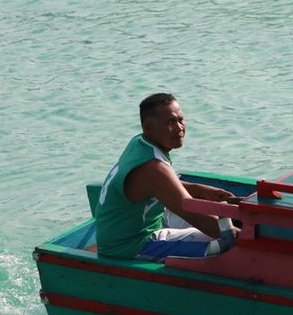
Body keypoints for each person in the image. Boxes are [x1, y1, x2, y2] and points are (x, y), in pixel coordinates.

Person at [95, 93, 239, 261]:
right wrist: (247, 239)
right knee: (223, 243)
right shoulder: (153, 167)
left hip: (123, 230)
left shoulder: (140, 143)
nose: (179, 128)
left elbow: (161, 184)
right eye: (170, 122)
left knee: (215, 222)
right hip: (130, 246)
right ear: (148, 127)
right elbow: (193, 214)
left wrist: (199, 190)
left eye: (180, 119)